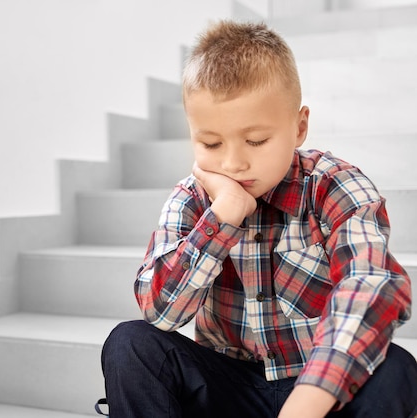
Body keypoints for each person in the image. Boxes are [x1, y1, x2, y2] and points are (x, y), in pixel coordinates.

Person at [99, 20, 417, 417]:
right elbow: (162, 312)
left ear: (299, 127)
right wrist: (223, 217)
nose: (233, 162)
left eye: (256, 141)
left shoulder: (334, 185)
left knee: (397, 368)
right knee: (131, 343)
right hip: (229, 385)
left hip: (318, 385)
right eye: (211, 143)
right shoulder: (192, 198)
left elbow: (371, 286)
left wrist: (308, 401)